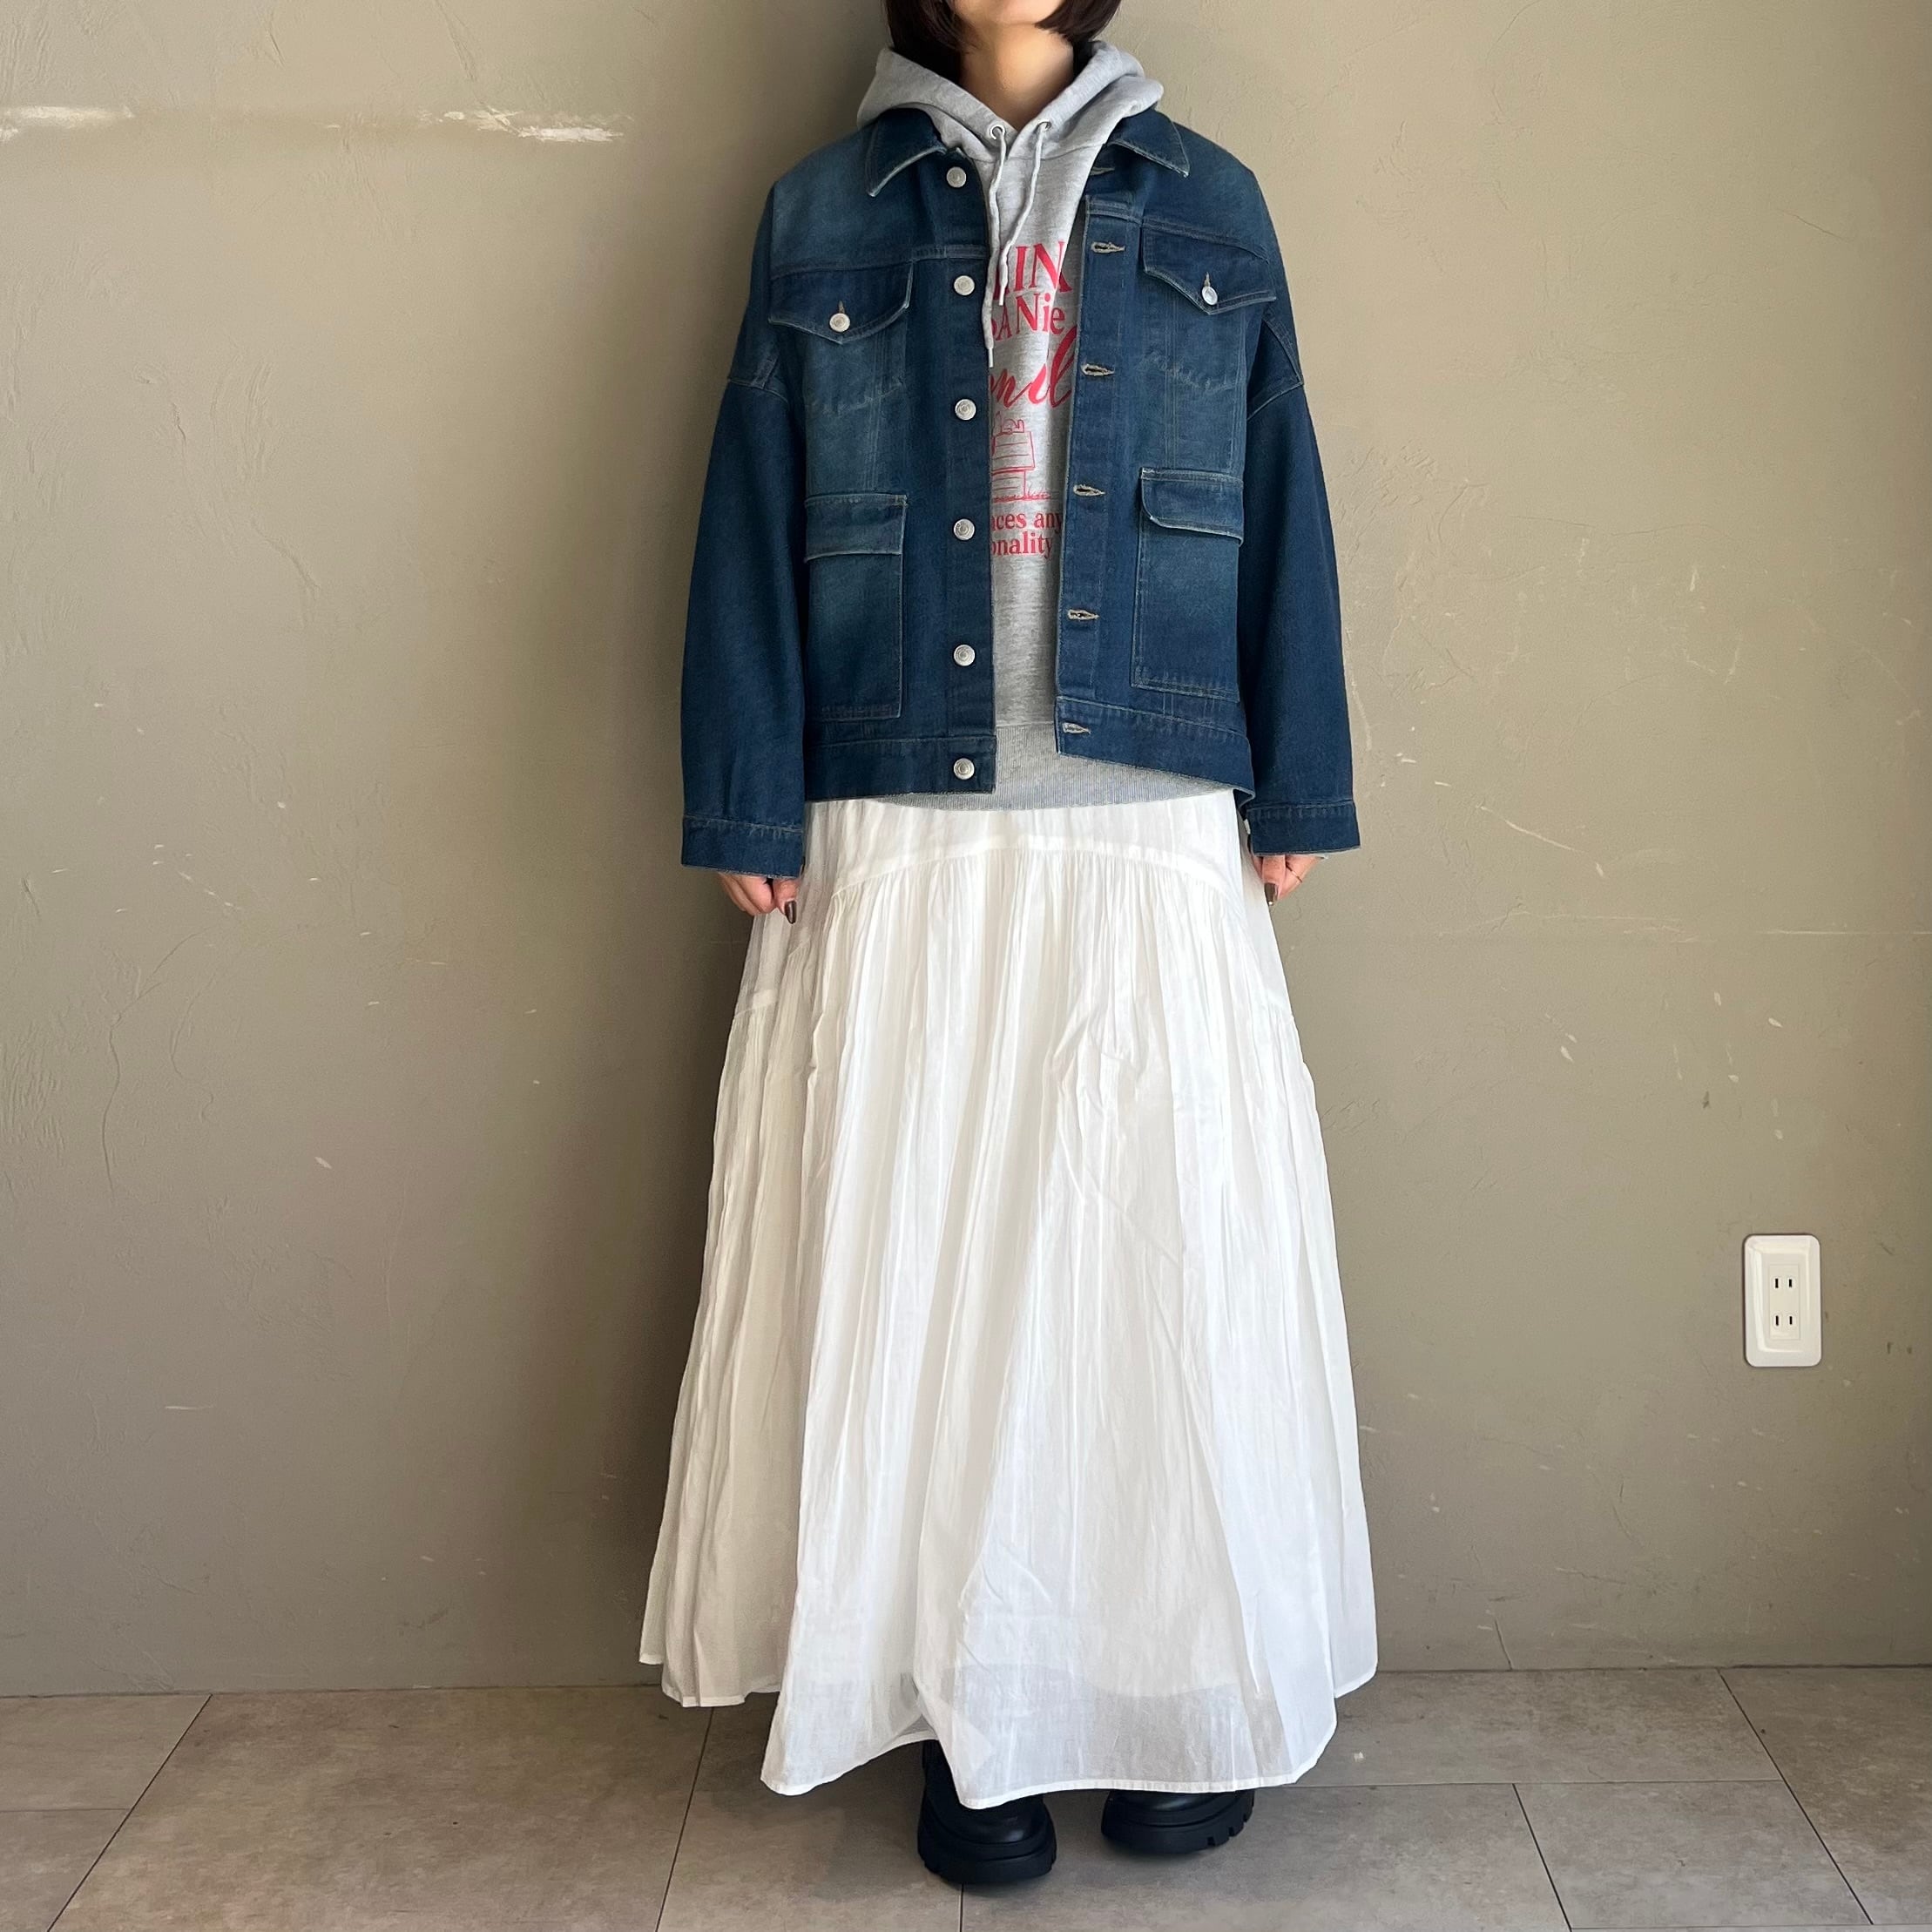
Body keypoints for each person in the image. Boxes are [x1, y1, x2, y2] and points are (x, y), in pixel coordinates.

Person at [641, 0, 1376, 1888]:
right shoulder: (821, 208)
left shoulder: (1208, 199)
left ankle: (1165, 1691)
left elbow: (1282, 485)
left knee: (1155, 1275)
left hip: (1148, 801)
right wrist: (747, 794)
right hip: (898, 803)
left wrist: (1293, 780)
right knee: (927, 1271)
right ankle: (970, 1721)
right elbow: (747, 501)